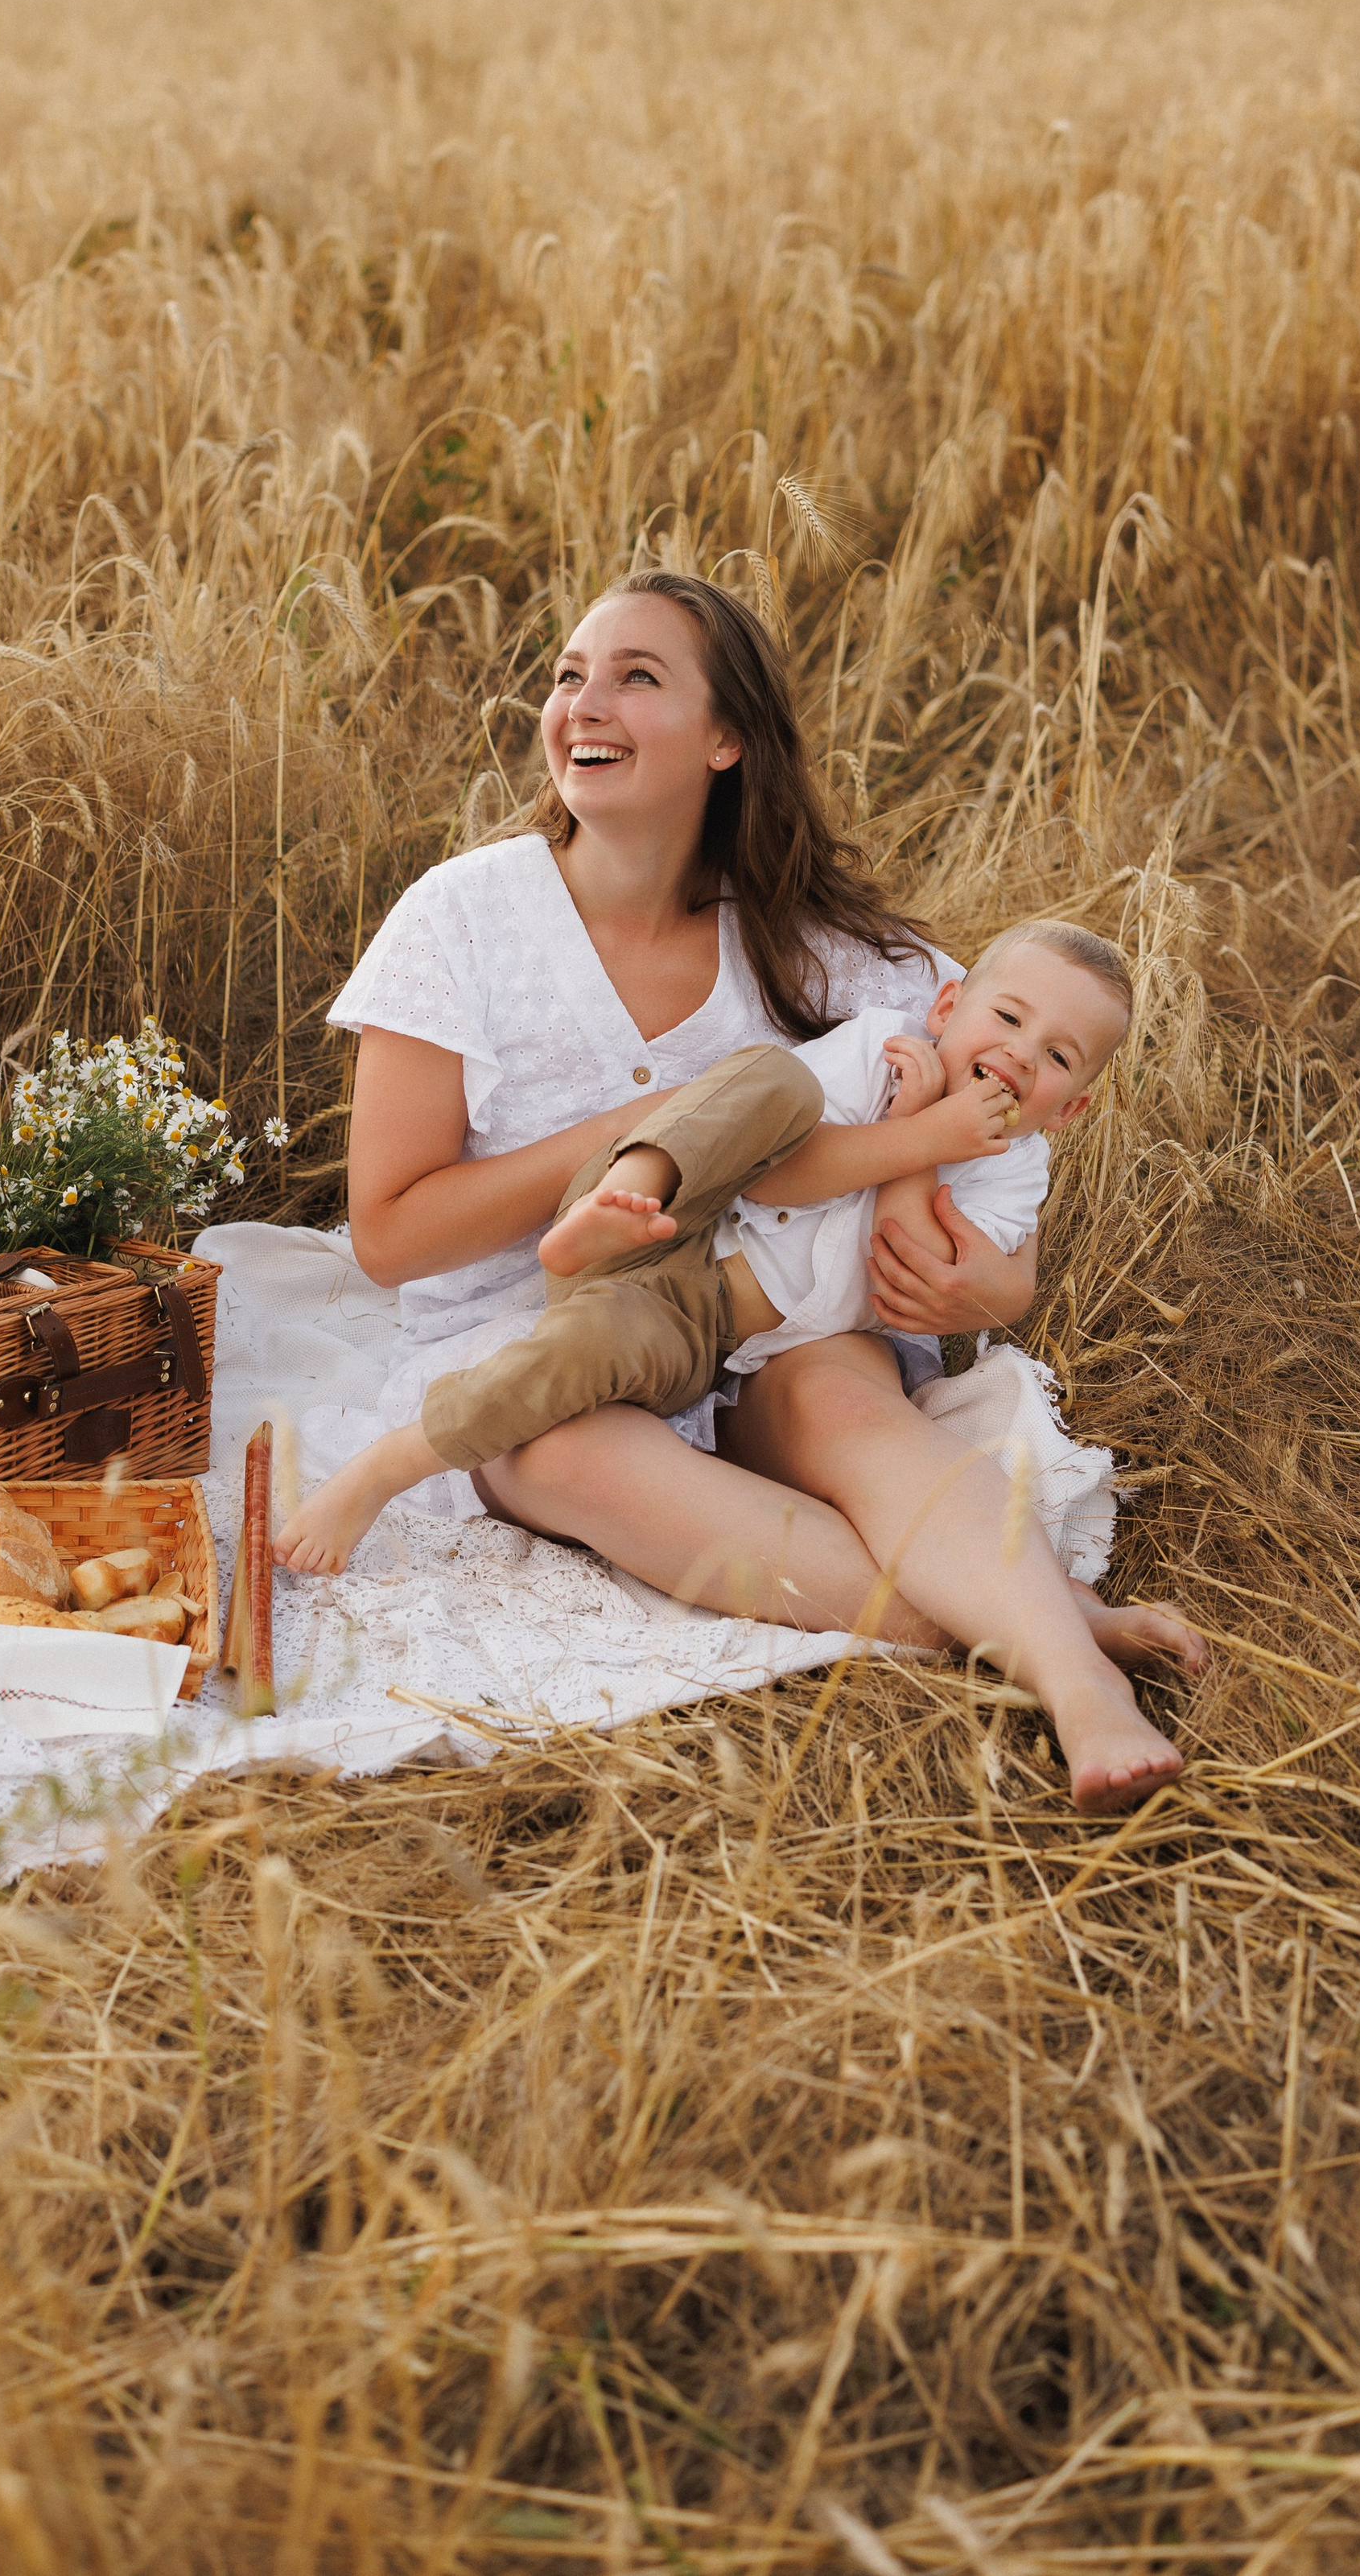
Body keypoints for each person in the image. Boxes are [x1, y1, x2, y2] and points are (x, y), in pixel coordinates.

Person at [310, 570, 1203, 1812]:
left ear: (727, 738)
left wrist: (996, 1283)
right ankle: (1043, 1621)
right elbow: (391, 1234)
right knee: (553, 1440)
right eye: (569, 674)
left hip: (776, 1331)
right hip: (545, 1327)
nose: (583, 702)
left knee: (844, 1392)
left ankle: (1083, 1693)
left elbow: (1000, 1088)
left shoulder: (835, 948)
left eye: (636, 676)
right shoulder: (461, 918)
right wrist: (641, 1130)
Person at [276, 921, 1123, 1568]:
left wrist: (923, 1135)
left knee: (576, 1355)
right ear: (947, 1009)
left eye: (1056, 1056)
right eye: (1007, 1017)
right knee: (773, 1078)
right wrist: (918, 1126)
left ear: (1071, 1108)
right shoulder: (883, 1048)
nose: (1019, 1054)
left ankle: (387, 1466)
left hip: (692, 1319)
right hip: (674, 1213)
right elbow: (773, 1176)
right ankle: (618, 1197)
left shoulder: (1014, 1174)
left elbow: (909, 1264)